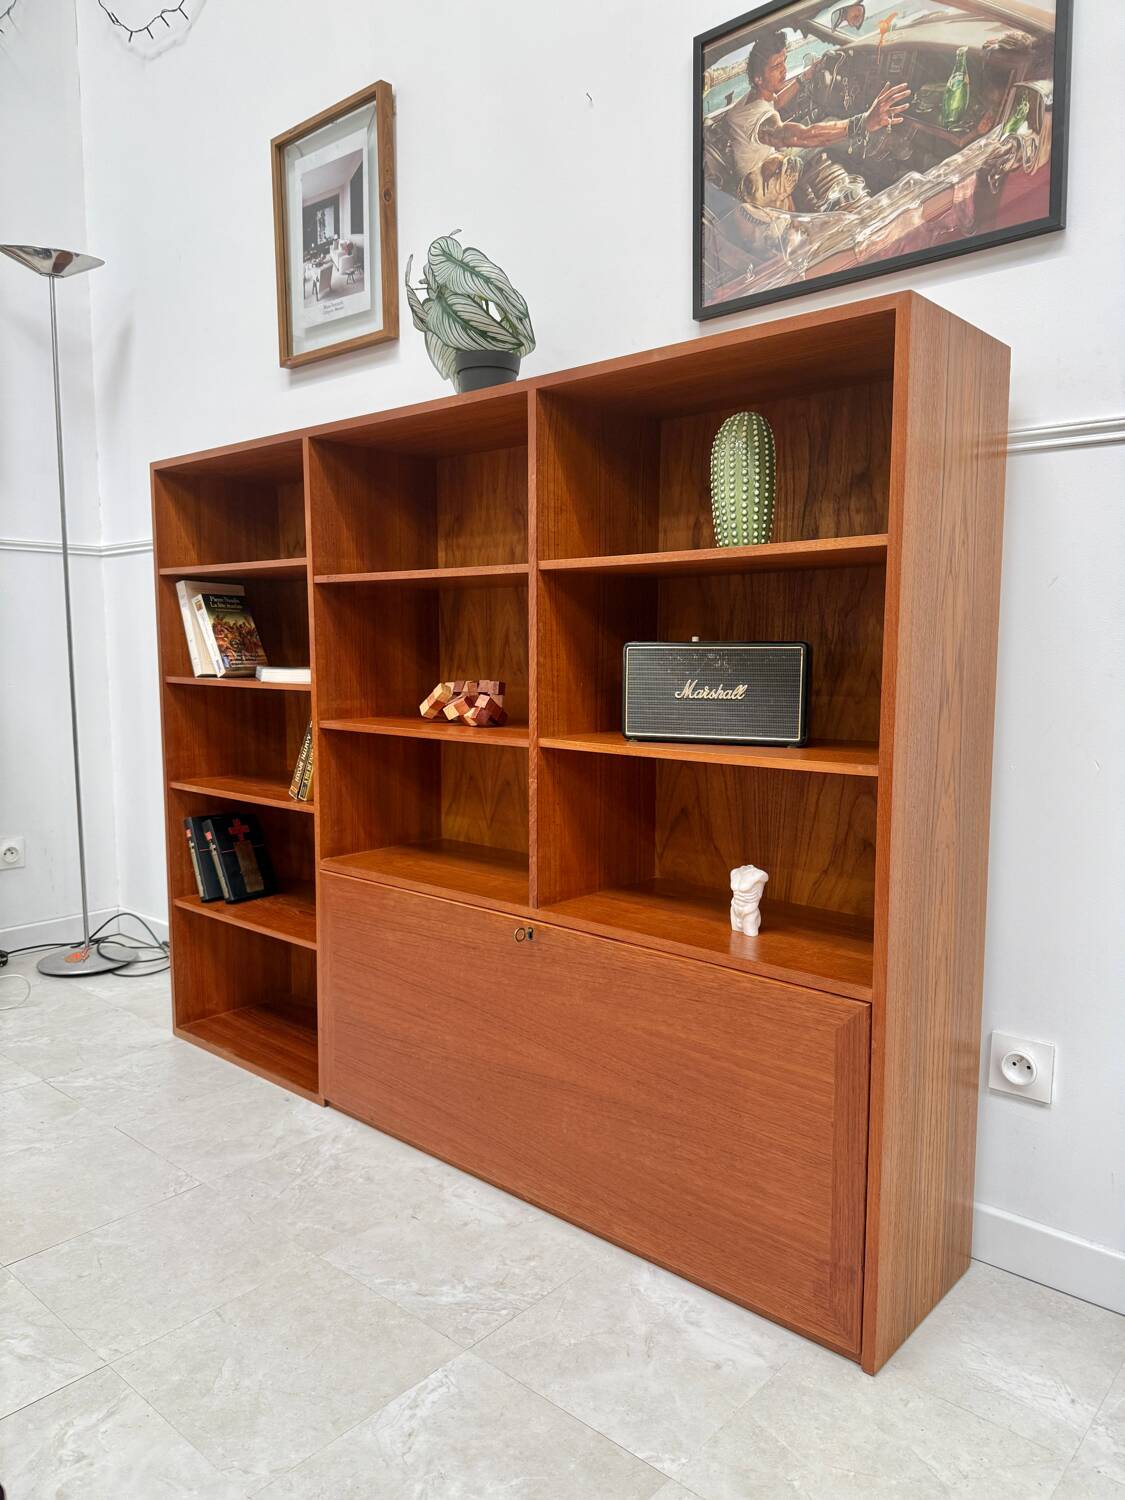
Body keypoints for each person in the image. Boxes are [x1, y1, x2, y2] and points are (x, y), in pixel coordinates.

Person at [725, 29, 910, 201]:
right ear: (758, 78)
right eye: (775, 67)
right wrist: (863, 122)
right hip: (763, 185)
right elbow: (802, 136)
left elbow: (776, 102)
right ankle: (885, 160)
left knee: (828, 125)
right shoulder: (761, 121)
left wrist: (805, 77)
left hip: (760, 169)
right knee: (830, 124)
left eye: (784, 61)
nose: (784, 70)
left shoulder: (749, 99)